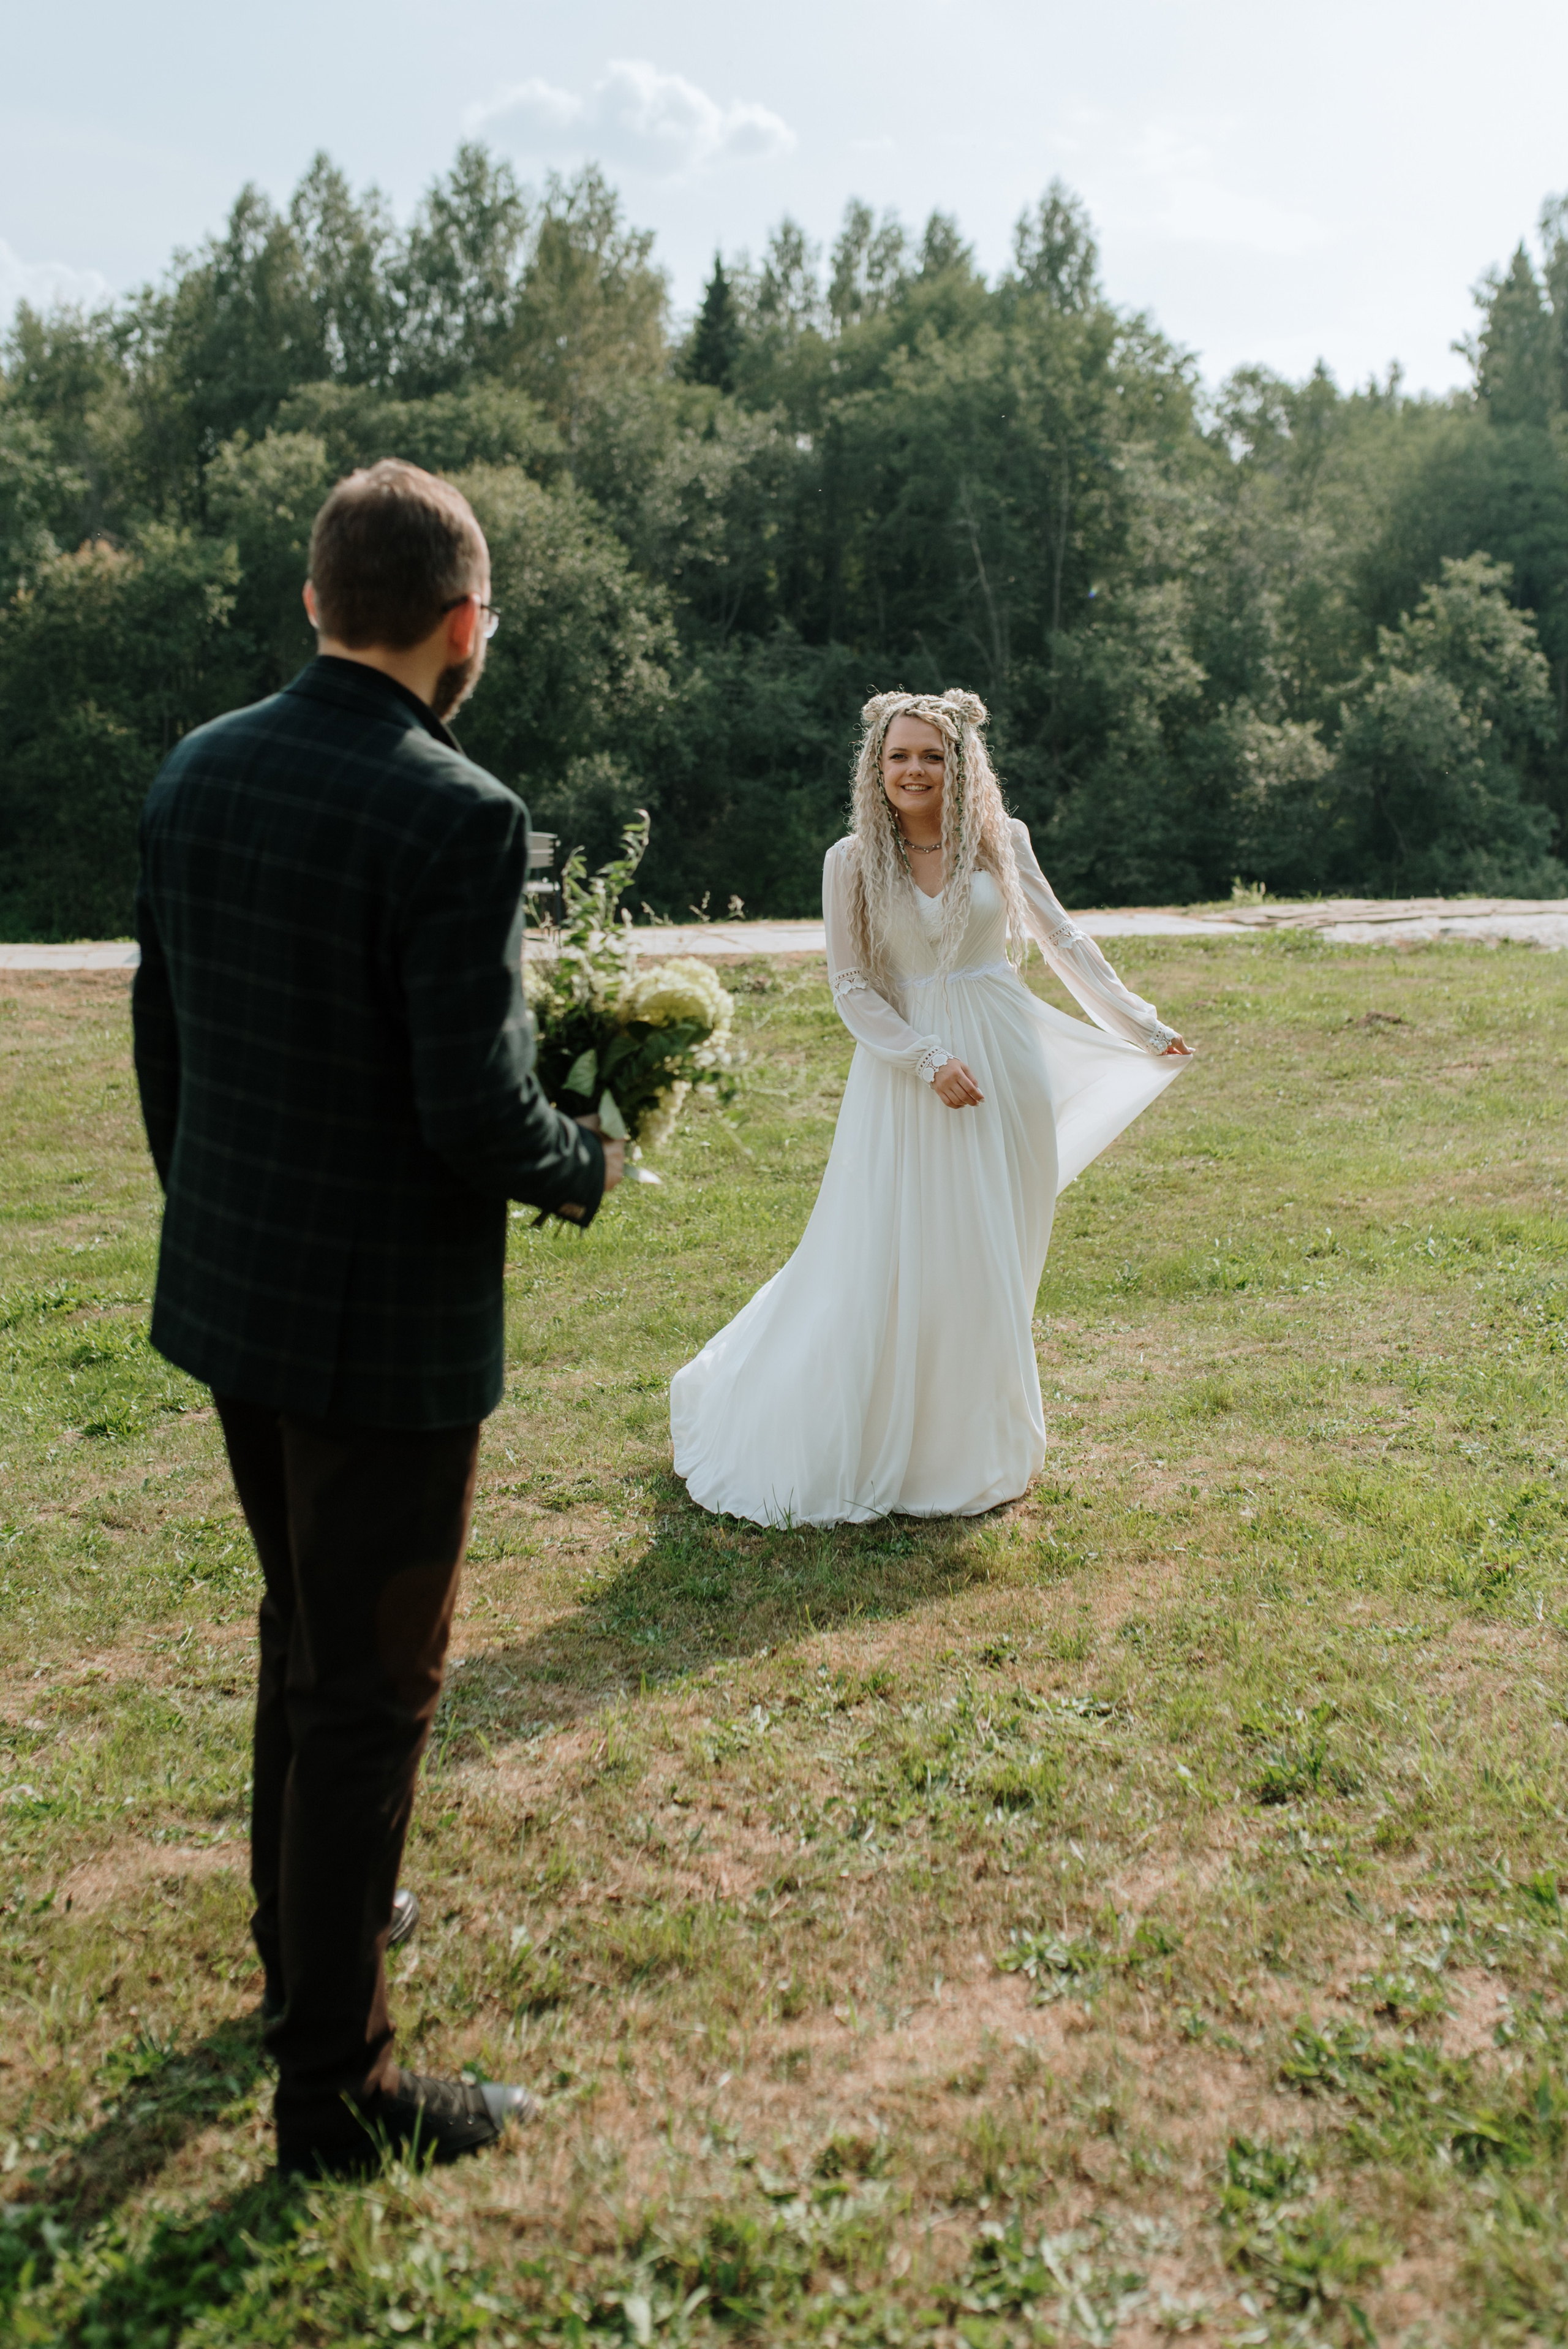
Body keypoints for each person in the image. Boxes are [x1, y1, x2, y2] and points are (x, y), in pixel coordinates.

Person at [132, 460, 623, 2178]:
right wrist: (591, 1158)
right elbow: (471, 1110)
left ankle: (306, 1934)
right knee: (372, 1692)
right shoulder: (461, 814)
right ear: (464, 623)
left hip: (236, 1292)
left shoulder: (197, 768)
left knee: (303, 1637)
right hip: (386, 1339)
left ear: (315, 603)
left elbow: (162, 1043)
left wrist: (214, 1223)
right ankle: (334, 2092)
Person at [671, 688, 1190, 1526]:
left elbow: (1063, 941)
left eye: (932, 755)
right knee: (899, 1250)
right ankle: (901, 1443)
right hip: (906, 1074)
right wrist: (927, 1058)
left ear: (960, 763)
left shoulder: (1002, 843)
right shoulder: (851, 861)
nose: (915, 770)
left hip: (1006, 1068)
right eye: (899, 755)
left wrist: (1141, 1022)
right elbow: (848, 984)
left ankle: (980, 1442)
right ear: (875, 769)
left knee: (996, 1250)